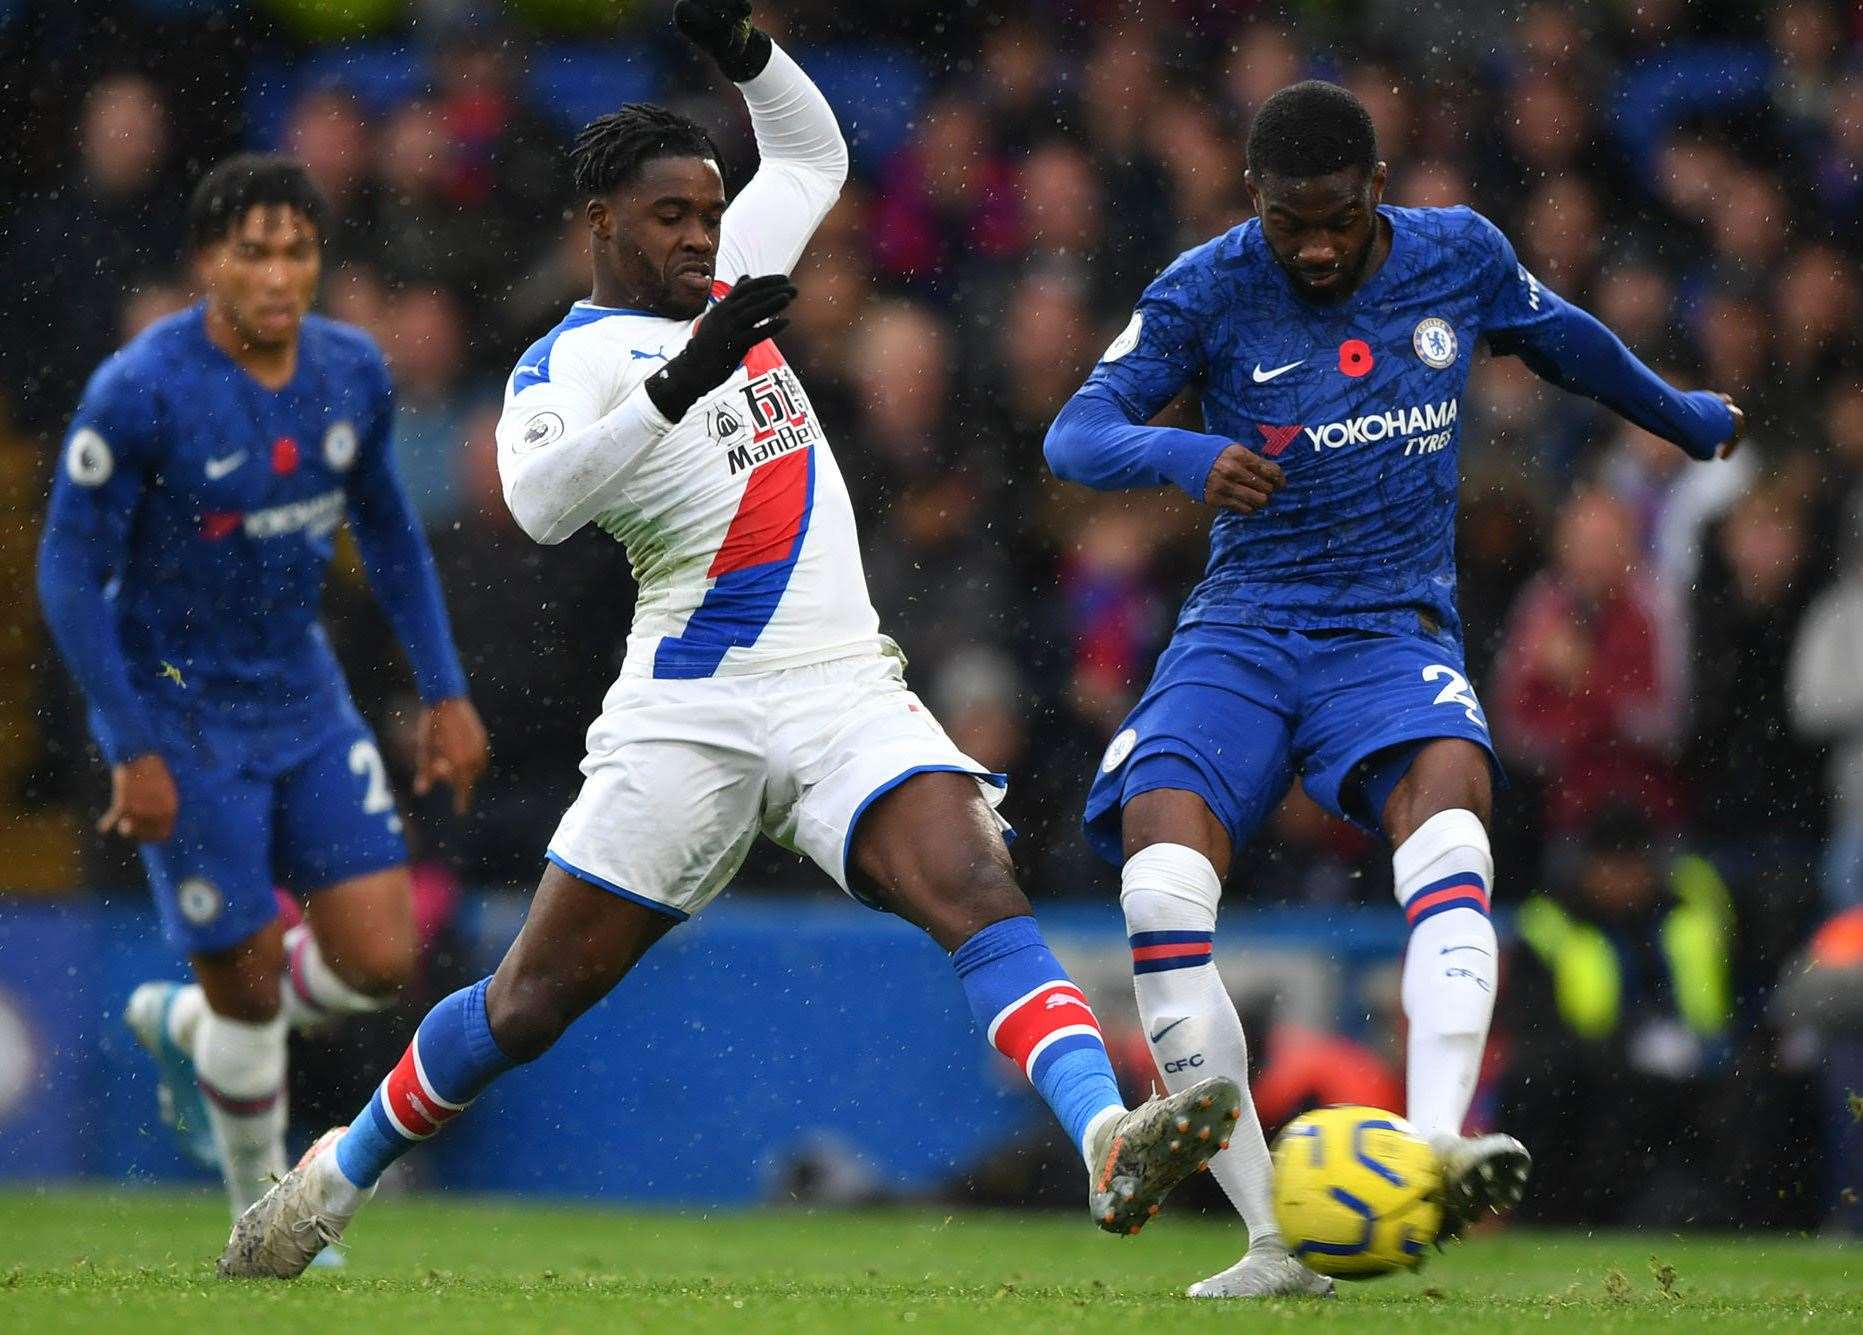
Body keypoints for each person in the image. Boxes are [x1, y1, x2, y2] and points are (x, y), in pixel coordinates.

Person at [218, 1, 1238, 1280]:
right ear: (600, 223)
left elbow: (813, 157)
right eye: (672, 217)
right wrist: (681, 379)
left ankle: (1104, 1138)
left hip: (836, 687)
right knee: (529, 1002)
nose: (703, 234)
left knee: (974, 883)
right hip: (686, 710)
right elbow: (540, 502)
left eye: (709, 214)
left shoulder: (724, 271)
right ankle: (332, 1178)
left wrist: (739, 46)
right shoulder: (566, 364)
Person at [1043, 80, 1744, 1299]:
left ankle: (1431, 1141)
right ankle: (1274, 1241)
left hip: (1389, 628)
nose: (1313, 245)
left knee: (1455, 807)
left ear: (1378, 188)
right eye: (1288, 222)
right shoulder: (1207, 285)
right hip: (1244, 630)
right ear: (1254, 202)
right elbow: (1075, 434)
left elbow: (1565, 339)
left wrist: (1679, 415)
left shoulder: (1456, 255)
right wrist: (1186, 451)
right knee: (1156, 877)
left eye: (1335, 218)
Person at [35, 156, 490, 1228]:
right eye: (254, 252)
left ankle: (196, 1031)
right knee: (244, 991)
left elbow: (385, 529)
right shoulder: (141, 391)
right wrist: (131, 745)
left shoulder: (350, 372)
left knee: (380, 960)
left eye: (298, 251)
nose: (279, 275)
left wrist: (446, 690)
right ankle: (264, 1218)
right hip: (181, 717)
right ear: (208, 264)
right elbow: (65, 567)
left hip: (304, 700)